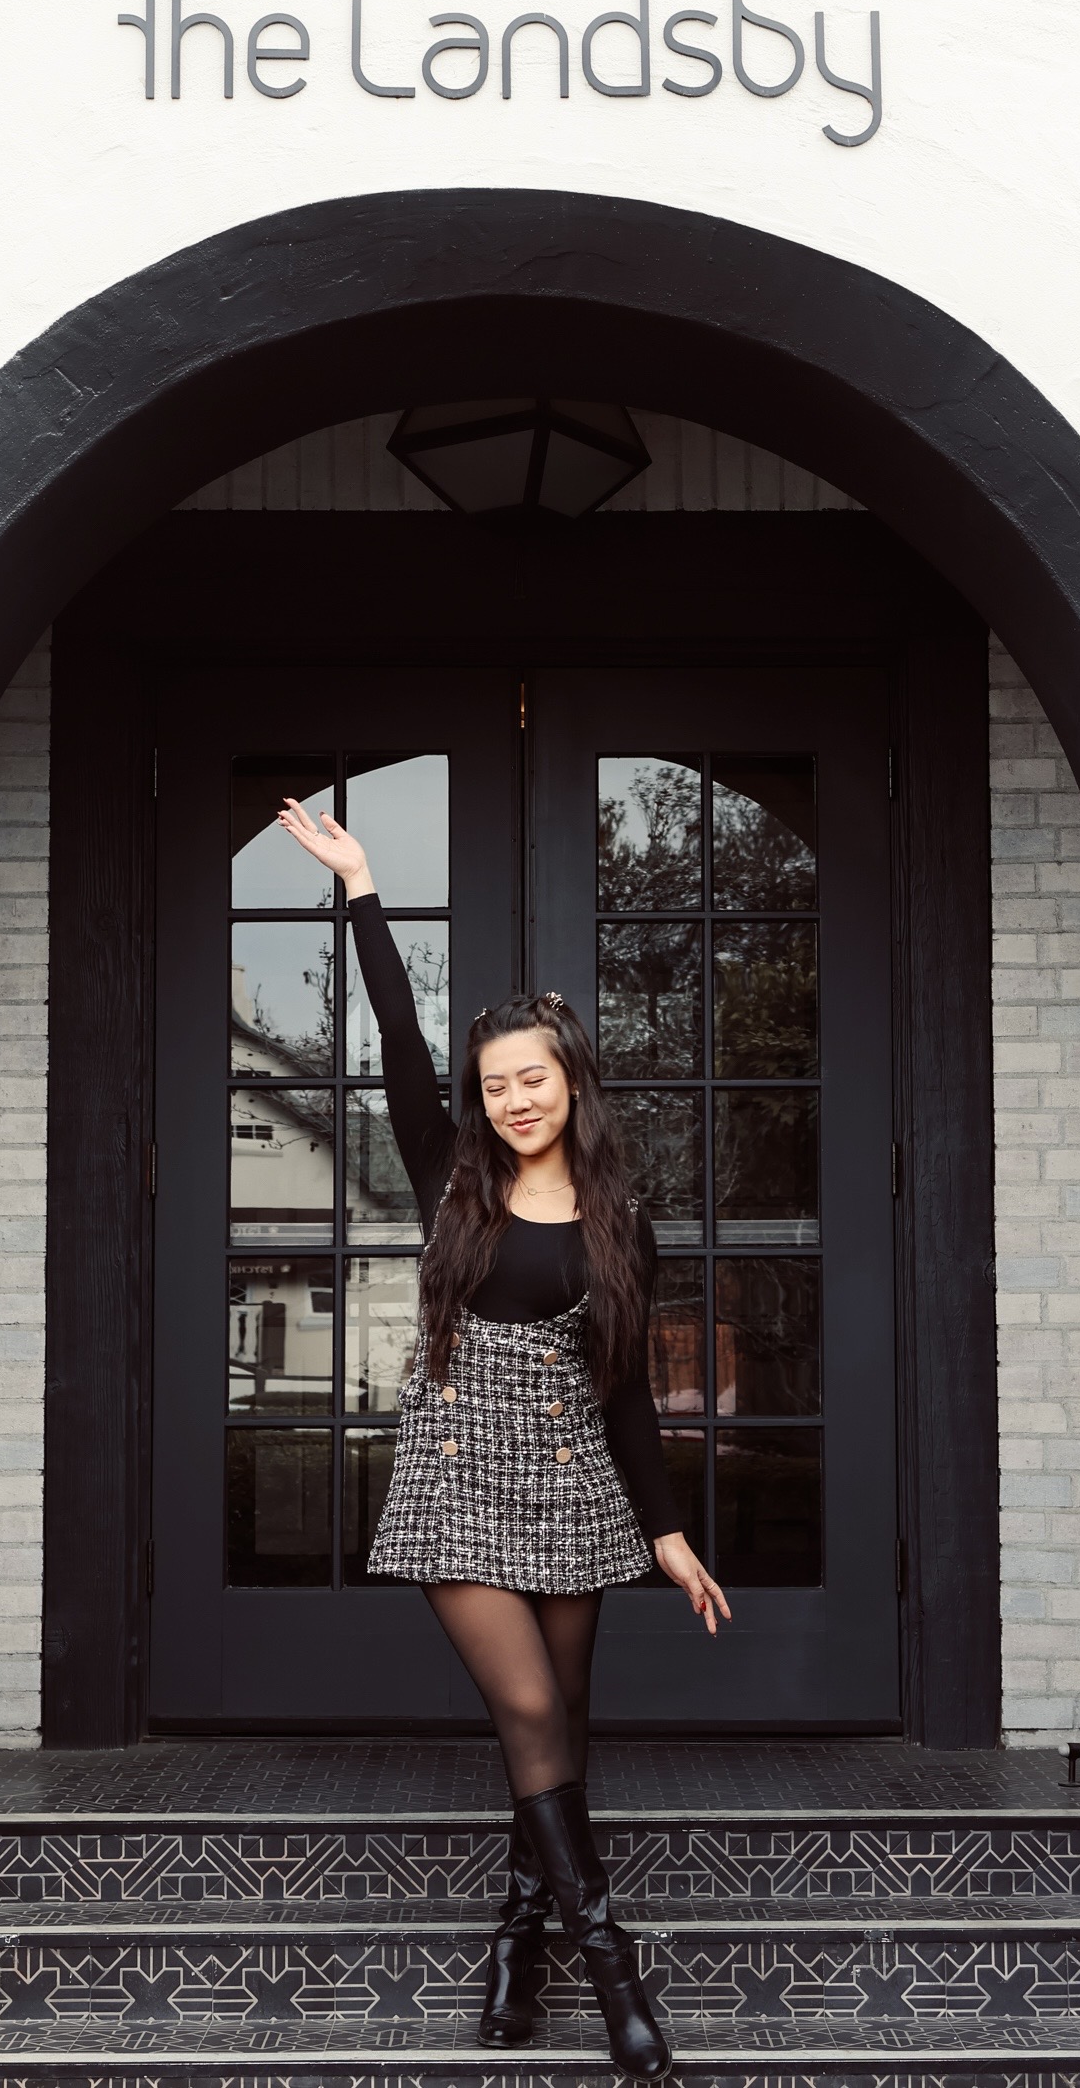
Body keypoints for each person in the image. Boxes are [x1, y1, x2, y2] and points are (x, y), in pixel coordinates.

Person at [275, 799, 730, 2078]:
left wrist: (671, 1534)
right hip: (457, 1475)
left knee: (567, 1715)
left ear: (572, 1080)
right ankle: (615, 1971)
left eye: (533, 1077)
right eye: (496, 1085)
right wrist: (364, 883)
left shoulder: (620, 1221)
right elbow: (404, 1038)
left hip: (575, 1478)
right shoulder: (449, 1176)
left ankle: (515, 1942)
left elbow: (628, 1391)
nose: (514, 1098)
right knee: (526, 1700)